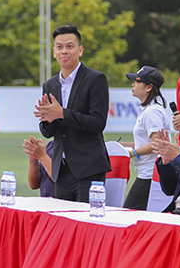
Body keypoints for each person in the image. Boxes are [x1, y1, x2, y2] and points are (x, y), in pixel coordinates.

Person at [34, 25, 111, 203]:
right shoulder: (49, 85)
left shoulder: (95, 79)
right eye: (59, 47)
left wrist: (62, 113)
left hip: (89, 167)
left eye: (70, 46)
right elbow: (48, 133)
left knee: (86, 224)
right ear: (54, 52)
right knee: (65, 223)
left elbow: (98, 123)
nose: (64, 51)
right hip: (60, 169)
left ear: (80, 50)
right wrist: (48, 120)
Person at [121, 66, 172, 210]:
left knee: (129, 213)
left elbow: (157, 144)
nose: (133, 85)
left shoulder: (152, 112)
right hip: (148, 173)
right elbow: (147, 142)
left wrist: (132, 153)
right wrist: (124, 145)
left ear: (149, 87)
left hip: (149, 174)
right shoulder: (150, 109)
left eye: (137, 82)